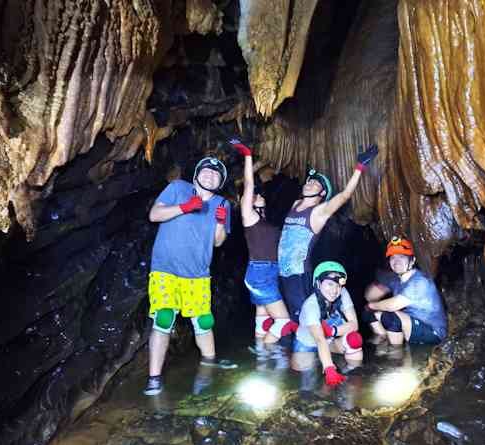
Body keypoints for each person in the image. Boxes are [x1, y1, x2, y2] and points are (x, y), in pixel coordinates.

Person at [142, 155, 236, 396]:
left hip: (198, 274)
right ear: (196, 174)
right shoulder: (177, 188)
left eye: (216, 174)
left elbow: (218, 242)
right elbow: (154, 215)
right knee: (163, 319)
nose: (210, 175)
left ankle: (210, 364)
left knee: (203, 322)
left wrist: (219, 223)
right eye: (206, 171)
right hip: (166, 270)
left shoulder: (222, 205)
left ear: (220, 182)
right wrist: (184, 207)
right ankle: (154, 378)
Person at [277, 145, 378, 323]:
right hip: (284, 274)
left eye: (316, 184)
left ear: (322, 193)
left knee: (306, 321)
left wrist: (359, 167)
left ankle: (333, 339)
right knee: (293, 320)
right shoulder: (295, 205)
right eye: (309, 181)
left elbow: (345, 195)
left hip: (300, 275)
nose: (310, 184)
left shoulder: (319, 212)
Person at [230, 139, 296, 358]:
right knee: (284, 322)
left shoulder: (266, 222)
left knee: (263, 319)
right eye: (254, 195)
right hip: (260, 273)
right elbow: (248, 185)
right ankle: (265, 357)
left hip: (267, 272)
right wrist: (248, 156)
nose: (258, 194)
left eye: (260, 195)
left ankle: (261, 359)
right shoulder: (249, 218)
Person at [364, 237, 446, 347]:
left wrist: (372, 305)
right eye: (393, 257)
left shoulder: (420, 281)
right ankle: (383, 340)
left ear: (412, 261)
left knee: (391, 317)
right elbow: (370, 295)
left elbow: (393, 305)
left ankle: (396, 355)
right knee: (369, 314)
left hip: (433, 331)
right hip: (411, 326)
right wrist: (372, 302)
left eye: (402, 257)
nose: (396, 261)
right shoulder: (397, 280)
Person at [292, 261, 364, 386]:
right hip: (307, 344)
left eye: (338, 285)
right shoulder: (311, 306)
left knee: (354, 339)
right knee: (306, 380)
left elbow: (354, 325)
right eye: (330, 284)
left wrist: (332, 331)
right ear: (318, 284)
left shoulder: (342, 293)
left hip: (329, 340)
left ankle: (353, 376)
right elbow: (320, 340)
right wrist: (329, 369)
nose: (334, 290)